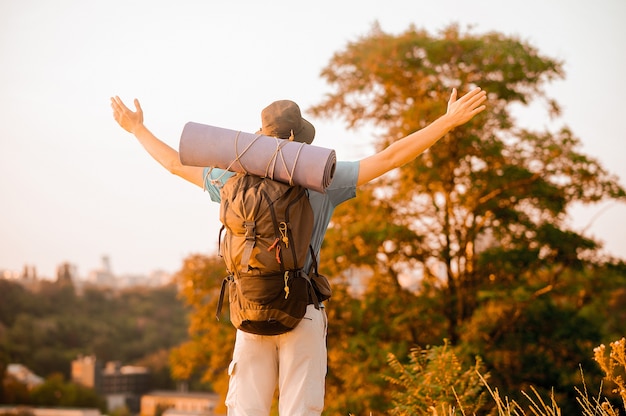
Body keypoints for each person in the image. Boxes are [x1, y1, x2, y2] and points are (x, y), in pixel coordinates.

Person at [110, 87, 487, 415]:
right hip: (302, 309)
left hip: (249, 307)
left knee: (246, 409)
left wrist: (137, 128)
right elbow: (389, 157)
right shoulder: (323, 177)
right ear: (301, 140)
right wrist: (447, 122)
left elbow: (175, 164)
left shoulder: (232, 179)